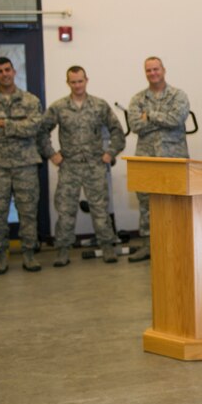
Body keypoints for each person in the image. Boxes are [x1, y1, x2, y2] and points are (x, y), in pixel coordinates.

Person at [40, 66, 125, 266]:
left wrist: (110, 153)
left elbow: (117, 131)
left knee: (100, 209)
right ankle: (62, 250)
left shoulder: (99, 105)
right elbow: (41, 131)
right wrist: (52, 154)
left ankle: (107, 246)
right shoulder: (59, 107)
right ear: (68, 83)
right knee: (65, 210)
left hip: (94, 165)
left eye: (80, 81)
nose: (77, 85)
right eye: (73, 82)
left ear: (86, 80)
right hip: (69, 165)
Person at [0, 58, 44, 275]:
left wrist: (4, 123)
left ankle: (29, 254)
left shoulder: (30, 100)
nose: (4, 74)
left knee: (28, 210)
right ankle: (1, 255)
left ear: (14, 72)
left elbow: (34, 127)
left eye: (7, 70)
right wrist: (18, 126)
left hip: (25, 164)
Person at [126, 56, 190, 262]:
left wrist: (150, 116)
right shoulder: (137, 99)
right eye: (148, 70)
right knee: (147, 204)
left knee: (177, 203)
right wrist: (162, 119)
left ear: (164, 69)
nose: (153, 73)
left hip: (174, 160)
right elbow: (135, 125)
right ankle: (148, 246)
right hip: (147, 161)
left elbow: (177, 118)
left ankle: (180, 243)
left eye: (156, 69)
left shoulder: (178, 95)